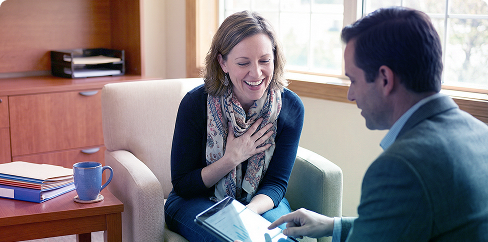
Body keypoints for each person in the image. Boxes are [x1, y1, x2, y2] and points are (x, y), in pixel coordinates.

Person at [269, 6, 488, 242]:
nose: (350, 95)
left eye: (353, 80)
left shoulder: (400, 167)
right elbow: (414, 220)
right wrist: (333, 225)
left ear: (385, 79)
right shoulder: (480, 133)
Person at [164, 10, 305, 242]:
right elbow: (183, 186)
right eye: (243, 63)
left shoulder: (290, 107)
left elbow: (276, 184)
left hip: (259, 202)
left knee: (282, 240)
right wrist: (231, 159)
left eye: (265, 60)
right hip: (195, 200)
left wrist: (244, 216)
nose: (257, 73)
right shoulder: (195, 104)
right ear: (223, 63)